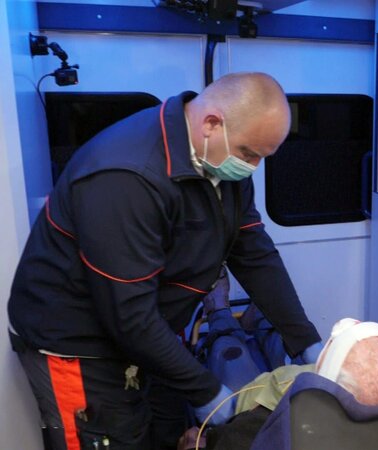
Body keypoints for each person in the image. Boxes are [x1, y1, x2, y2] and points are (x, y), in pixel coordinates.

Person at [7, 72, 325, 450]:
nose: (253, 166)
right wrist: (207, 391)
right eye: (249, 154)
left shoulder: (222, 157)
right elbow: (129, 314)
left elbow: (254, 253)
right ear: (211, 124)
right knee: (115, 439)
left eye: (262, 157)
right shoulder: (125, 175)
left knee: (164, 430)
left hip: (145, 333)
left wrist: (305, 341)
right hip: (80, 347)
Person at [179, 308, 378, 450]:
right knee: (285, 346)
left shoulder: (250, 432)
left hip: (250, 403)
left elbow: (221, 439)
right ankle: (260, 316)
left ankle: (221, 313)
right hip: (296, 386)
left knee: (230, 352)